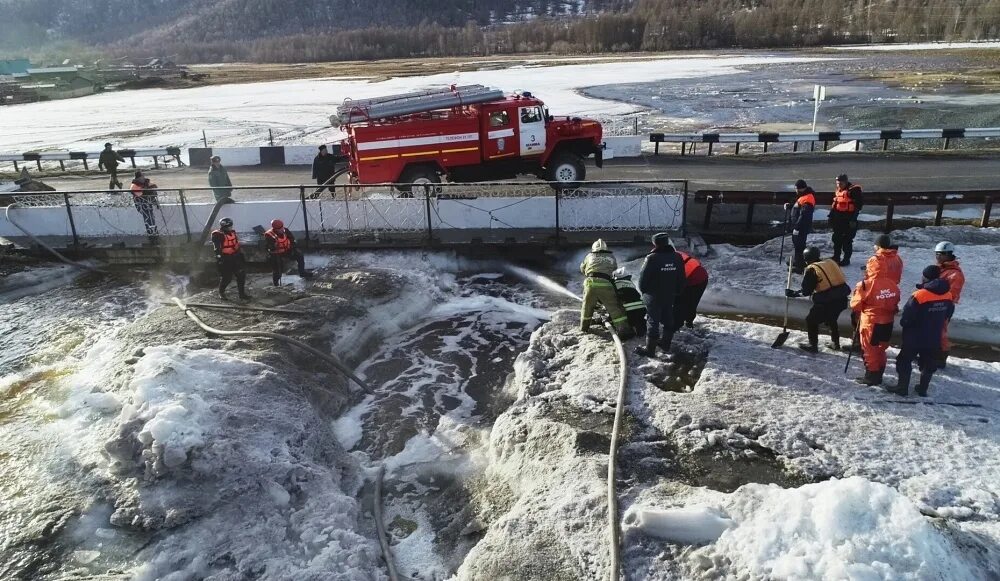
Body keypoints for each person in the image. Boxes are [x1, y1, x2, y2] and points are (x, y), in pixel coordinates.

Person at [886, 265, 954, 397]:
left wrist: (905, 325)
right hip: (934, 336)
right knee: (928, 362)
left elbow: (907, 316)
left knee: (904, 360)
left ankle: (902, 387)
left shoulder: (920, 295)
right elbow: (948, 314)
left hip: (915, 336)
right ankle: (923, 388)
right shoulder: (948, 295)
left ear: (925, 277)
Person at [786, 246, 851, 353]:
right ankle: (835, 343)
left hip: (827, 301)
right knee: (831, 319)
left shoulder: (812, 269)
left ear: (806, 258)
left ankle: (813, 346)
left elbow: (806, 291)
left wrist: (793, 293)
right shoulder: (830, 262)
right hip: (842, 299)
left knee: (811, 320)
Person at [635, 233, 686, 357]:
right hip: (669, 294)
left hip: (653, 295)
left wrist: (644, 292)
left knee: (653, 321)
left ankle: (650, 350)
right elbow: (681, 277)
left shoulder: (652, 258)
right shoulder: (677, 257)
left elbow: (643, 280)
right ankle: (665, 344)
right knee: (668, 318)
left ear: (655, 243)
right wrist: (677, 291)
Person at [849, 275, 900, 386]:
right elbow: (896, 301)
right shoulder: (892, 283)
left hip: (871, 323)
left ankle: (871, 377)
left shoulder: (865, 284)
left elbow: (855, 305)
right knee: (881, 348)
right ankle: (879, 374)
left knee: (870, 350)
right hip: (888, 322)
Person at [579, 239, 633, 339]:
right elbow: (614, 270)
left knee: (587, 307)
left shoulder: (589, 256)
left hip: (590, 284)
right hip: (606, 284)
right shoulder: (611, 256)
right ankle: (623, 331)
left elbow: (582, 269)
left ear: (593, 249)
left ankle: (584, 328)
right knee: (614, 308)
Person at [934, 241, 965, 368]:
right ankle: (932, 353)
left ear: (948, 254)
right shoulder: (941, 269)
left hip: (944, 306)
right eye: (936, 254)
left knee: (940, 331)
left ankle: (941, 357)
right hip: (934, 304)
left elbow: (952, 294)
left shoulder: (955, 274)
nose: (938, 257)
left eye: (941, 254)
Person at [211, 217, 250, 300]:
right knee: (227, 278)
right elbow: (217, 248)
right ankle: (221, 292)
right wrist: (220, 258)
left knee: (241, 275)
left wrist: (241, 254)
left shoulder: (232, 232)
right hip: (225, 258)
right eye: (229, 226)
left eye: (231, 226)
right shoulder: (218, 235)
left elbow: (236, 243)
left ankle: (242, 294)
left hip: (235, 257)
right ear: (224, 226)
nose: (230, 228)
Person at [830, 174, 864, 266]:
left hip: (849, 219)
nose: (839, 185)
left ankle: (846, 259)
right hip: (838, 219)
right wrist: (831, 216)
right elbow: (835, 204)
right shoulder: (838, 191)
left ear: (845, 182)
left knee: (847, 241)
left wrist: (853, 219)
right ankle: (836, 257)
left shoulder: (853, 190)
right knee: (836, 239)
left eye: (841, 183)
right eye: (837, 183)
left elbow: (858, 206)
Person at [264, 219, 308, 286]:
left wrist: (293, 248)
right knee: (278, 271)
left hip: (287, 250)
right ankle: (276, 283)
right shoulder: (269, 235)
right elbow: (268, 247)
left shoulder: (285, 230)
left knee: (300, 255)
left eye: (282, 227)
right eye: (279, 229)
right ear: (275, 229)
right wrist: (273, 245)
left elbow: (292, 240)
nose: (281, 229)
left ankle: (302, 272)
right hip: (276, 253)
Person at [786, 179, 816, 274]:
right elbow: (798, 208)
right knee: (798, 245)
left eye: (796, 189)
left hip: (801, 228)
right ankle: (799, 262)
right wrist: (790, 206)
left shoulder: (807, 198)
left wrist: (797, 228)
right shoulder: (804, 196)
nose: (795, 191)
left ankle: (800, 267)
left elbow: (804, 215)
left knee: (799, 246)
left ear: (800, 189)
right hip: (800, 227)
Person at [673, 249, 708, 329]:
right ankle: (682, 322)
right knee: (683, 302)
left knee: (685, 303)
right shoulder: (675, 253)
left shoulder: (671, 263)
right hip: (696, 274)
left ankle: (684, 323)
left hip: (698, 280)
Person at [612, 268, 646, 338]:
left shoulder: (615, 284)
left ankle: (634, 329)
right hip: (642, 308)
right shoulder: (630, 283)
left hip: (628, 310)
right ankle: (642, 328)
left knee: (631, 322)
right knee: (640, 320)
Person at [129, 170, 159, 243]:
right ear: (138, 178)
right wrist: (148, 190)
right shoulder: (134, 185)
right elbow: (140, 194)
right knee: (148, 219)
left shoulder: (146, 182)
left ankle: (154, 234)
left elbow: (154, 187)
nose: (143, 177)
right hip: (141, 205)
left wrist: (155, 201)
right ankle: (151, 235)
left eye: (143, 176)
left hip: (148, 204)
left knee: (151, 218)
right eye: (142, 176)